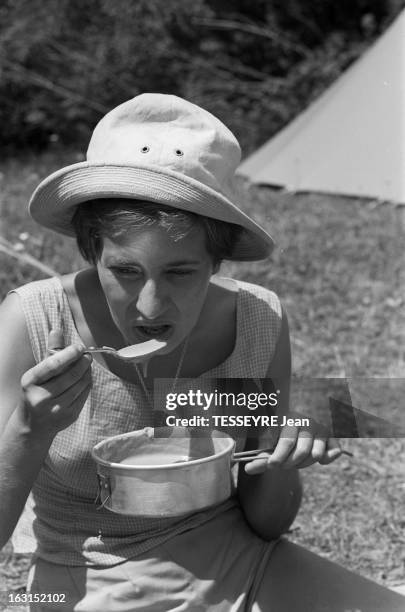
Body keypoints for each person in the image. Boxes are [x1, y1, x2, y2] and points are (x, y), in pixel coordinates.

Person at [0, 94, 403, 611]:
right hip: (87, 578)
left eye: (180, 272)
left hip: (244, 562)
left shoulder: (256, 321)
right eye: (124, 271)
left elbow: (268, 523)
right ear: (91, 250)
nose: (150, 303)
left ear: (216, 261)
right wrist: (29, 430)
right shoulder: (32, 322)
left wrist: (283, 457)